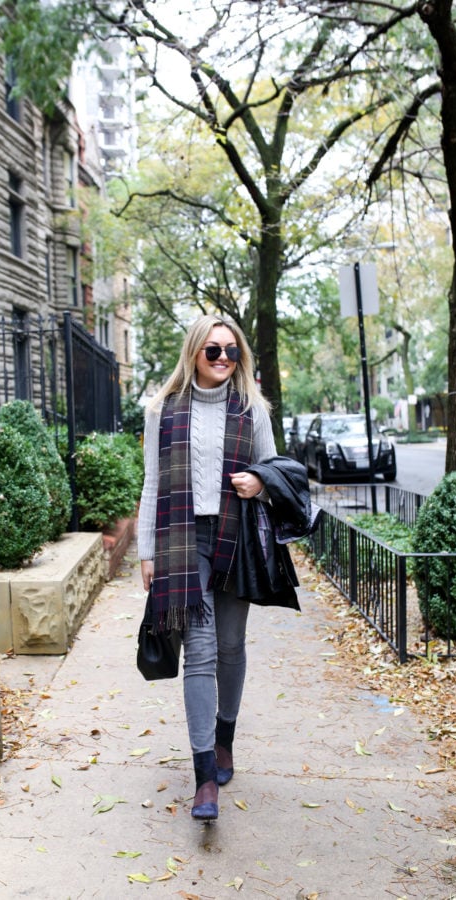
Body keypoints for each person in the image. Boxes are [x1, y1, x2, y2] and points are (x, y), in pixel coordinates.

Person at [138, 314, 276, 821]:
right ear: (194, 351)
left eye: (231, 351)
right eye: (212, 350)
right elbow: (152, 483)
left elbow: (274, 470)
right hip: (182, 539)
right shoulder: (163, 409)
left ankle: (225, 739)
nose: (222, 359)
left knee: (230, 646)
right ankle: (203, 779)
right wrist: (146, 552)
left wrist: (258, 484)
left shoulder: (251, 408)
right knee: (198, 649)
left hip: (235, 535)